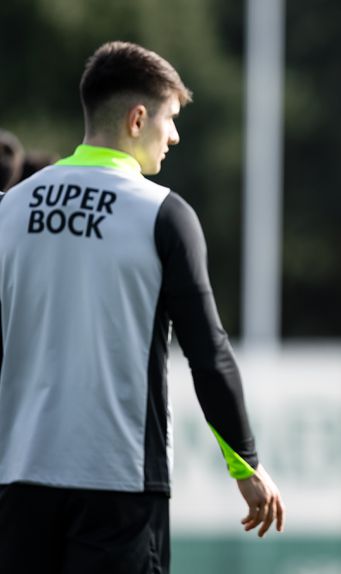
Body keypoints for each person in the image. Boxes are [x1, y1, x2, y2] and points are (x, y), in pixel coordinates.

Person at [0, 41, 284, 573]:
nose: (174, 135)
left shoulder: (10, 208)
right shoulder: (162, 213)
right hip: (120, 482)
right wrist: (246, 463)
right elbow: (209, 354)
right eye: (170, 118)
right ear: (137, 118)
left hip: (18, 481)